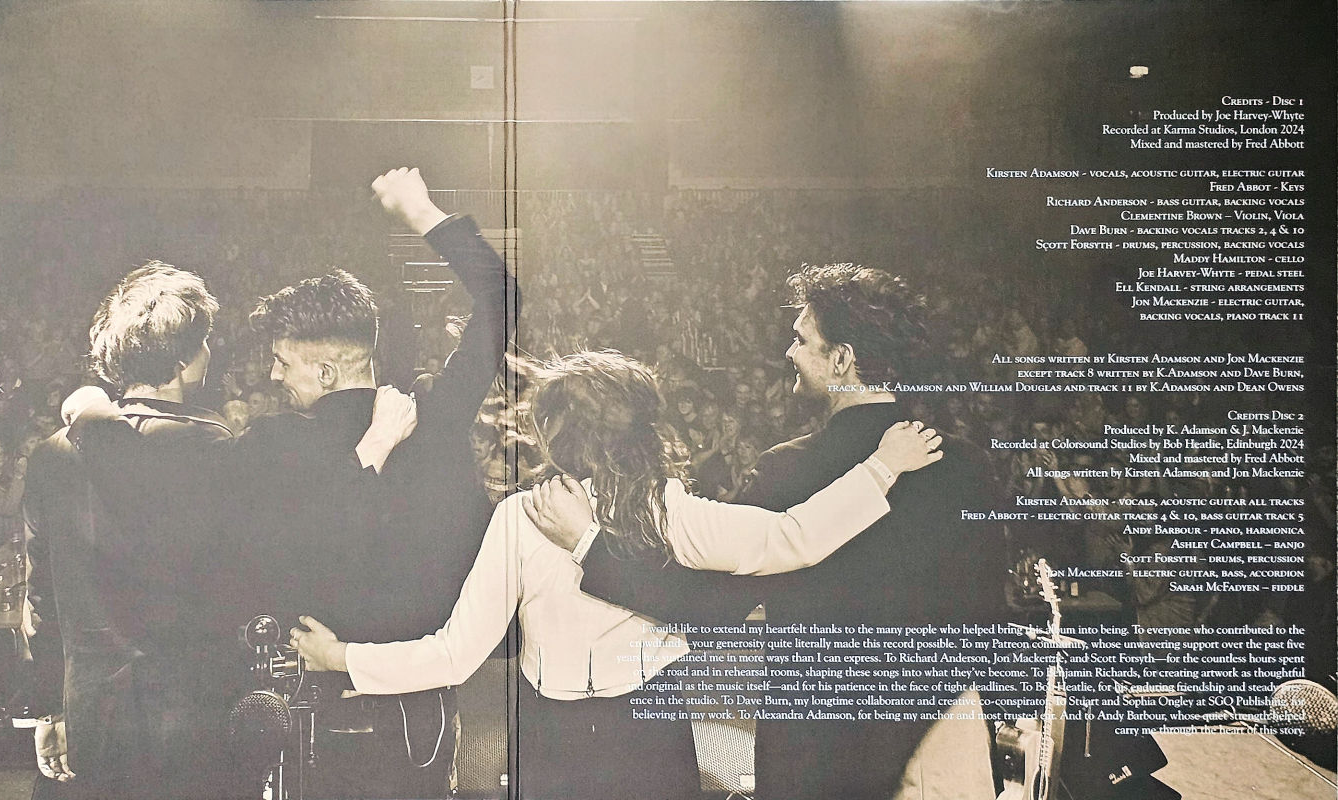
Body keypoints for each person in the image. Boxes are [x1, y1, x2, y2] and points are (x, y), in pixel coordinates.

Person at [290, 350, 944, 800]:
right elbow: (791, 538)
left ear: (556, 433)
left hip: (557, 741)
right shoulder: (665, 509)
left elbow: (455, 654)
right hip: (642, 738)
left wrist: (340, 657)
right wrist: (881, 468)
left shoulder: (526, 516)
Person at [65, 167, 515, 798]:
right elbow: (501, 299)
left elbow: (145, 478)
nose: (273, 376)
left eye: (281, 361)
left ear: (325, 371)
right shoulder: (431, 418)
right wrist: (422, 213)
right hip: (424, 716)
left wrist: (90, 409)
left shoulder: (270, 446)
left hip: (317, 724)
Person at [561, 265, 1007, 800]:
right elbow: (987, 617)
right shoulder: (966, 464)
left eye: (801, 339)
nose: (788, 352)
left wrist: (589, 547)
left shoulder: (787, 469)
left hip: (817, 749)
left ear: (841, 359)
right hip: (937, 738)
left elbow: (708, 607)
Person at [25, 263, 415, 799]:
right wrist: (373, 448)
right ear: (185, 361)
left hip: (92, 713)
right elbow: (303, 546)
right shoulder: (215, 451)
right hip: (198, 719)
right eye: (205, 342)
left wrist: (49, 708)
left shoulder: (51, 456)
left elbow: (40, 602)